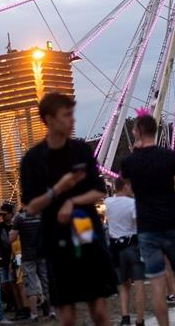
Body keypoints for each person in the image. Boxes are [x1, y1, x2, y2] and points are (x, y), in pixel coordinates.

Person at [21, 93, 116, 326]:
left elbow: (99, 190)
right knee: (67, 312)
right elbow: (30, 206)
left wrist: (73, 201)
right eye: (66, 115)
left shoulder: (81, 150)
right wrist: (58, 190)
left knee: (99, 306)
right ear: (49, 119)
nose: (72, 120)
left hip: (86, 231)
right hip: (56, 237)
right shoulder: (33, 160)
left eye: (72, 114)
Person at [120, 113, 175, 326]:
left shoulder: (129, 162)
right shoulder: (170, 157)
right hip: (172, 224)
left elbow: (128, 186)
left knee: (156, 282)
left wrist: (135, 152)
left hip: (147, 227)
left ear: (139, 131)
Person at [104, 178, 146, 326]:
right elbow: (137, 223)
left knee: (122, 285)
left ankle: (125, 317)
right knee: (139, 283)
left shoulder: (108, 203)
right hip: (132, 245)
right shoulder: (132, 203)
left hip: (116, 248)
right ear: (126, 186)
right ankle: (140, 320)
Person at [12, 205, 51, 323]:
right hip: (42, 254)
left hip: (28, 256)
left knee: (31, 285)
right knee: (46, 283)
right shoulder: (42, 215)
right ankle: (51, 311)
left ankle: (34, 315)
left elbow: (11, 238)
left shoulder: (20, 218)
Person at [0, 203, 23, 315]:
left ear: (11, 214)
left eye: (4, 214)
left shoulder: (17, 225)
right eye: (0, 214)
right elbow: (1, 242)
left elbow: (8, 242)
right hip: (5, 258)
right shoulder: (0, 226)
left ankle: (20, 307)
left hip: (16, 257)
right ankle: (14, 303)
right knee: (5, 285)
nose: (1, 216)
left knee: (17, 284)